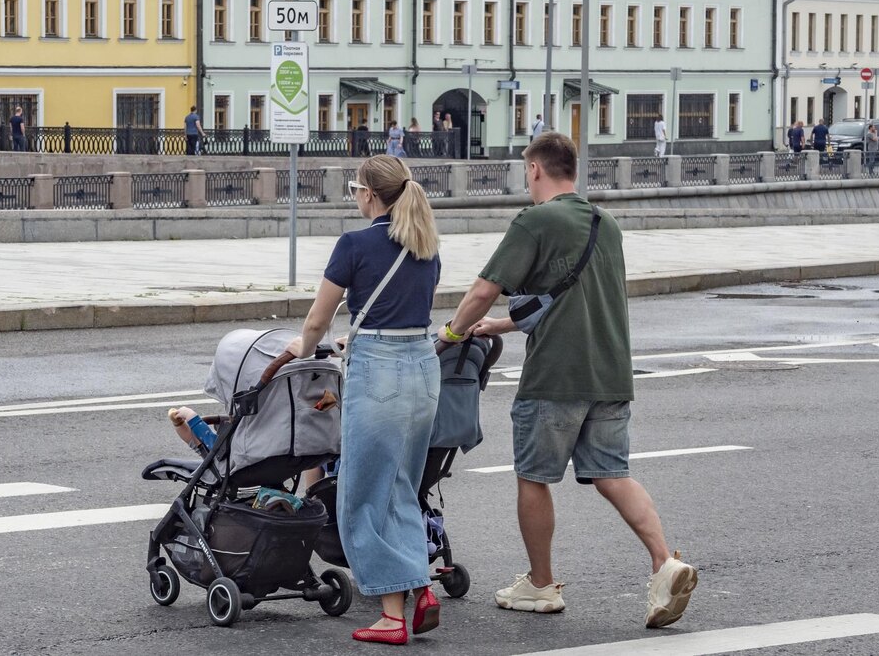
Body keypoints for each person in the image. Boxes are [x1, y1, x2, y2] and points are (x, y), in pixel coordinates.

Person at [439, 132, 698, 629]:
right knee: (612, 474)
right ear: (573, 170)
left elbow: (483, 290)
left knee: (534, 477)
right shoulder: (606, 223)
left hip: (556, 376)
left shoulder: (535, 220)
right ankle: (664, 562)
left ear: (535, 169)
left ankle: (540, 584)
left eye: (527, 170)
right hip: (611, 372)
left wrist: (452, 333)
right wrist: (503, 326)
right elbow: (572, 298)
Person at [286, 154, 443, 645]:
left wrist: (300, 350)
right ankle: (421, 587)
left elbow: (317, 319)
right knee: (402, 486)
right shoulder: (425, 243)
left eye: (355, 189)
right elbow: (407, 310)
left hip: (379, 372)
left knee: (362, 496)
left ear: (369, 194)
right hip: (423, 367)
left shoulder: (354, 244)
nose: (354, 196)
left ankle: (393, 616)